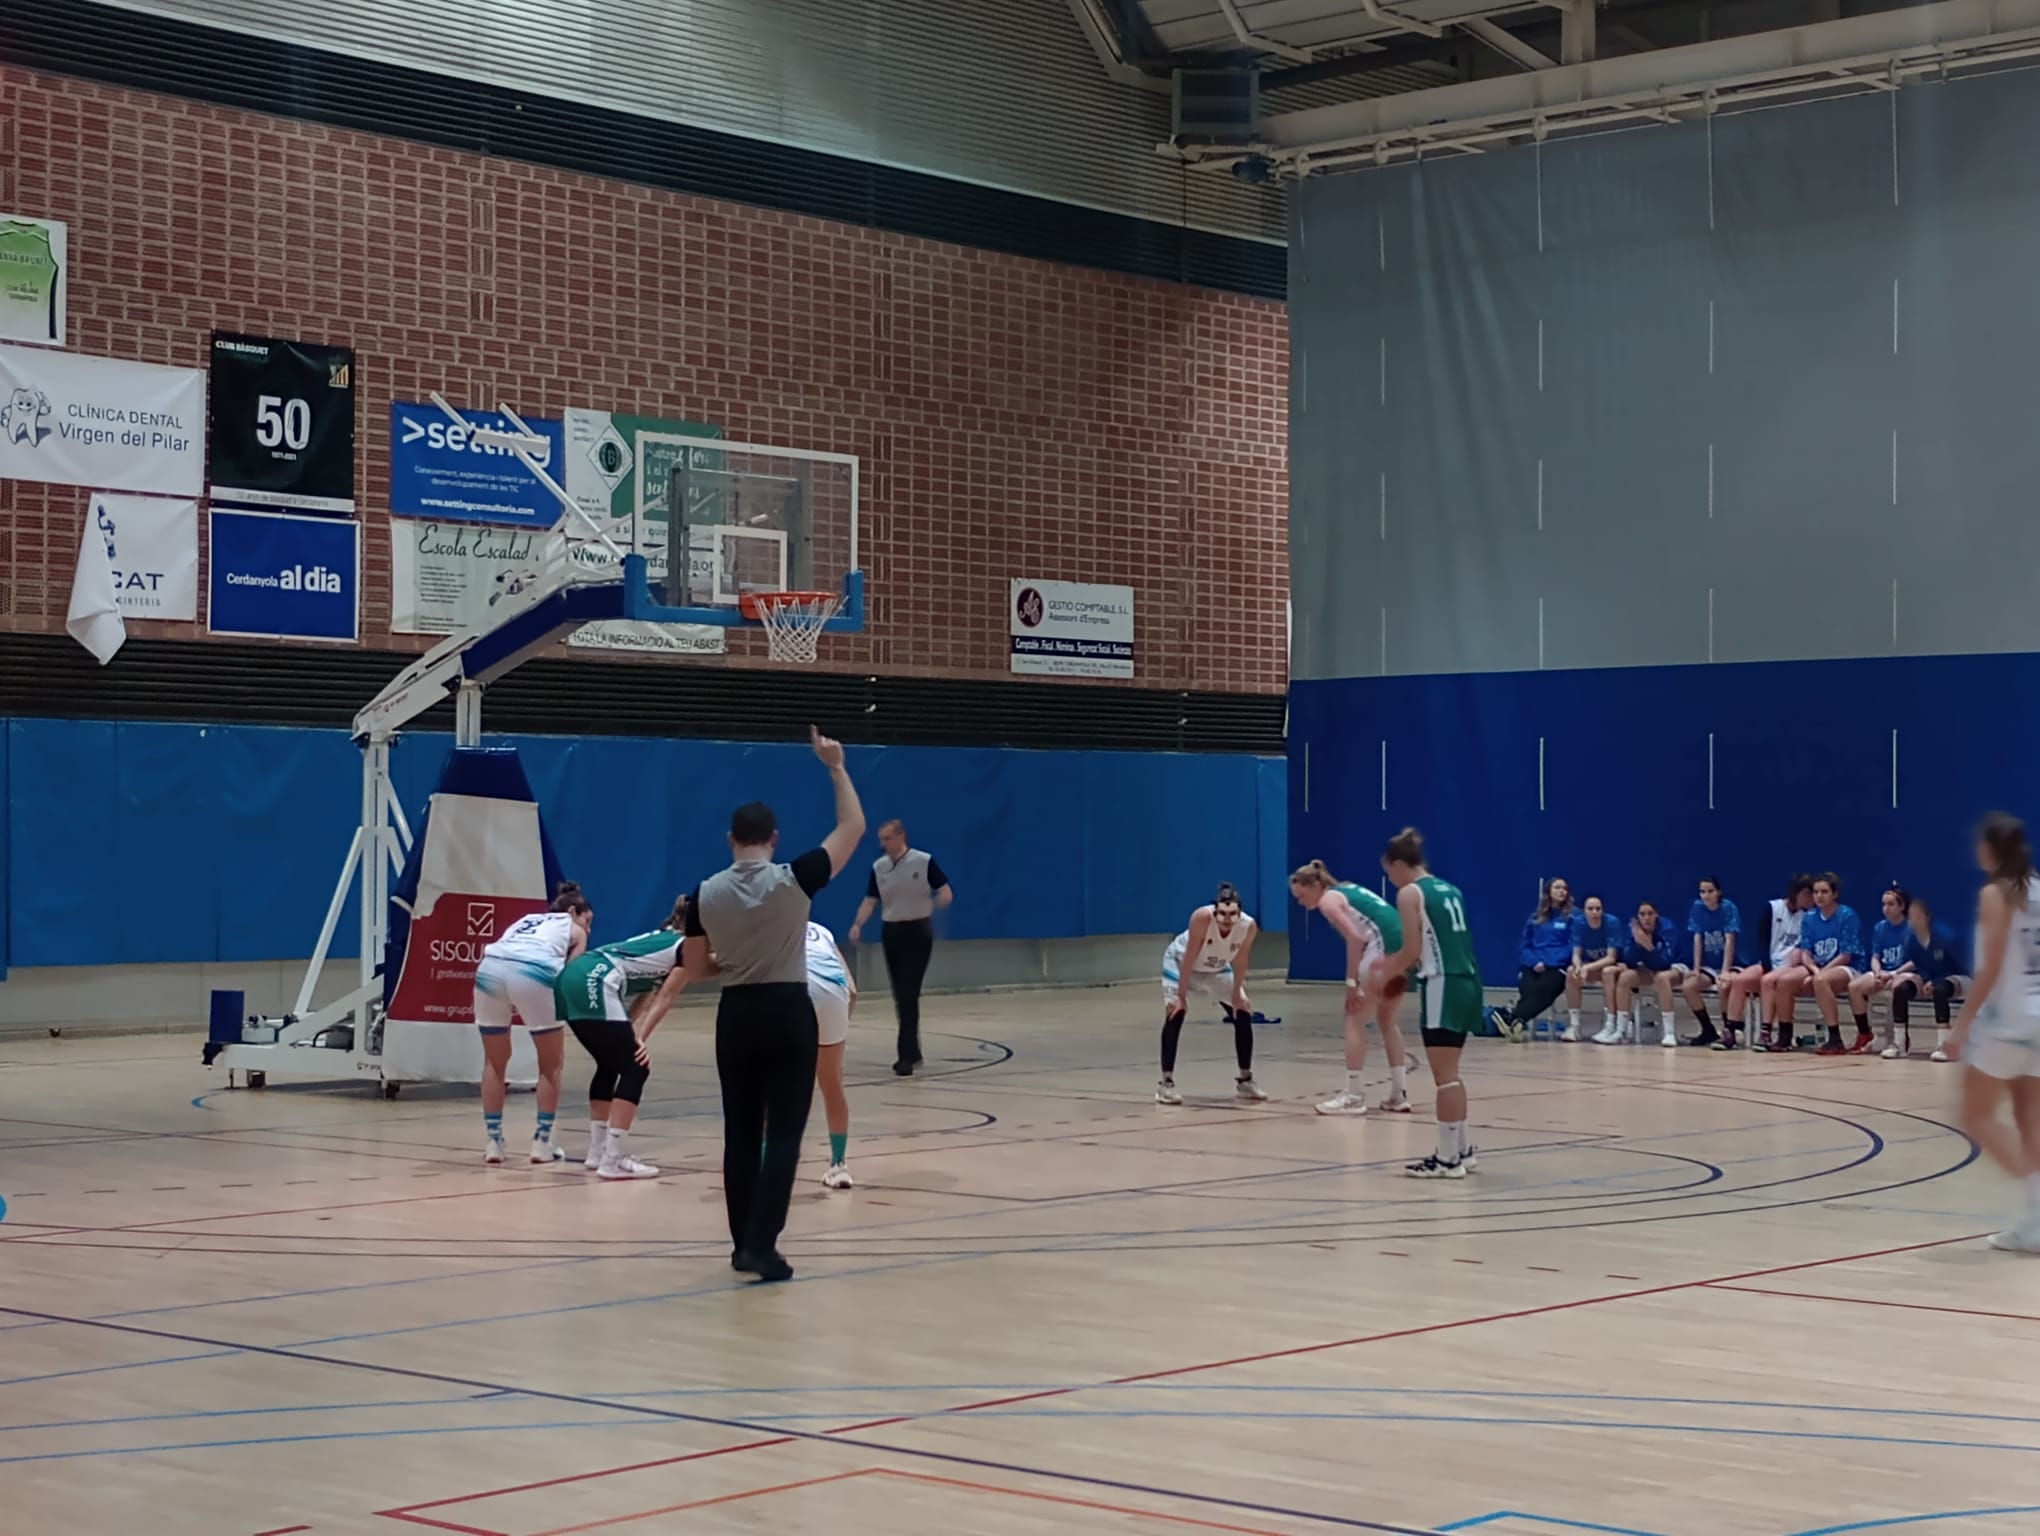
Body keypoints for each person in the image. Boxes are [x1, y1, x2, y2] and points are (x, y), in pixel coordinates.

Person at [682, 726, 866, 1283]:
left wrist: (733, 963)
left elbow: (693, 969)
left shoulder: (703, 894)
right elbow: (852, 826)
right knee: (783, 1131)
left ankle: (742, 1244)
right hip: (788, 1011)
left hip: (735, 1016)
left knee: (739, 1130)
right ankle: (764, 1245)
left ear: (731, 839)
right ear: (775, 839)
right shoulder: (795, 880)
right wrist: (834, 766)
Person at [1943, 813, 2040, 1252]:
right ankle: (2034, 1225)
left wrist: (1962, 1023)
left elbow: (1992, 964)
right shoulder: (2037, 888)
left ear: (1991, 849)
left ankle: (2038, 1204)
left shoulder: (1996, 893)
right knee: (2028, 1120)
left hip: (2008, 1023)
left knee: (1974, 1115)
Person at [1370, 826, 1483, 1179]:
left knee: (1444, 1077)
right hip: (1468, 980)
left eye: (1389, 871)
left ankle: (1448, 1159)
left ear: (1399, 864)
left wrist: (1382, 973)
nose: (1390, 879)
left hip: (1442, 984)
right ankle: (1460, 1150)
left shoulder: (1411, 893)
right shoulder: (1450, 888)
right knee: (1452, 1074)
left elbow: (1413, 951)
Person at [555, 895, 690, 1180]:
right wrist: (640, 1038)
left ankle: (597, 1152)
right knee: (636, 1067)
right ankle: (613, 1159)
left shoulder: (662, 939)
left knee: (609, 1063)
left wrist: (630, 1030)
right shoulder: (687, 947)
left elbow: (648, 992)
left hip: (573, 977)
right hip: (596, 978)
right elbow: (665, 997)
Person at [471, 881, 592, 1166]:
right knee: (551, 1065)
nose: (588, 928)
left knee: (494, 1062)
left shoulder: (526, 920)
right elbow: (570, 973)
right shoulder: (572, 928)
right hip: (534, 971)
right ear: (574, 911)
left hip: (490, 968)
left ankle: (494, 1142)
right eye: (588, 921)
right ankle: (541, 1142)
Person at [1289, 862, 1413, 1117]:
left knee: (1354, 1020)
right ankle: (1398, 1094)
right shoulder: (1348, 890)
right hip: (1402, 951)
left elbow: (1355, 938)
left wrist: (1351, 984)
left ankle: (1353, 1097)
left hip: (1381, 950)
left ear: (1316, 886)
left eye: (1301, 896)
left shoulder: (1328, 901)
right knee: (1388, 1021)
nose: (1301, 902)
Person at [849, 820, 953, 1076]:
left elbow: (945, 891)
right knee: (901, 995)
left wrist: (936, 904)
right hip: (892, 931)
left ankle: (905, 1056)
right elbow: (870, 900)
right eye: (881, 839)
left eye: (887, 838)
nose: (883, 844)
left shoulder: (923, 861)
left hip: (918, 931)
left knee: (909, 991)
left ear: (901, 836)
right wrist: (858, 924)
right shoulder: (879, 867)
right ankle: (913, 1052)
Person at [1155, 881, 1265, 1106]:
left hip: (1216, 967)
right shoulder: (1202, 918)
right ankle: (1166, 1084)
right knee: (1175, 1013)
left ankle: (1245, 1079)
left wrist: (1237, 994)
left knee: (1243, 1012)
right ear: (1215, 911)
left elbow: (1242, 960)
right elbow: (1188, 958)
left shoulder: (1248, 926)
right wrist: (1181, 996)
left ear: (1239, 912)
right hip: (1181, 964)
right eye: (1222, 913)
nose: (1226, 919)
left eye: (1232, 914)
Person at [807, 919, 859, 1188]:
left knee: (775, 1084)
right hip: (834, 991)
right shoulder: (823, 931)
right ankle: (839, 1166)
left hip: (798, 988)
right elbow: (852, 991)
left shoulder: (771, 923)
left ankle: (766, 1165)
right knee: (832, 1083)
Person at [1489, 878, 1575, 1043]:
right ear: (1549, 891)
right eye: (1557, 887)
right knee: (1528, 989)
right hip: (1534, 964)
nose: (1561, 891)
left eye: (1564, 888)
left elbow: (1572, 946)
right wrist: (1534, 962)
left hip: (1557, 966)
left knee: (1544, 990)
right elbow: (1525, 945)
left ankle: (1512, 1017)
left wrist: (1548, 962)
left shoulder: (1573, 917)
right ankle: (1518, 1024)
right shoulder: (1536, 917)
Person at [1790, 873, 1864, 1056]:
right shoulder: (1809, 917)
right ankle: (1783, 1033)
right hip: (1820, 970)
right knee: (1796, 981)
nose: (1819, 896)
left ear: (1835, 894)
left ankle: (1835, 1037)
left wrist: (1821, 973)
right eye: (1815, 892)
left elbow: (1846, 955)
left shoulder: (1847, 915)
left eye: (1824, 892)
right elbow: (1806, 953)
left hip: (1849, 968)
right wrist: (1815, 970)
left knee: (1821, 981)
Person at [1739, 875, 1816, 1052]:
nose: (1813, 899)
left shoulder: (1810, 916)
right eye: (1810, 894)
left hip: (1799, 965)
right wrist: (1766, 965)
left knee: (1772, 981)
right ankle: (1736, 1028)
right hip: (1776, 963)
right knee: (1745, 980)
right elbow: (1762, 939)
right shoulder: (1773, 908)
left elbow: (1807, 945)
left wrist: (1804, 956)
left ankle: (1774, 1032)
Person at [1886, 897, 1967, 1062]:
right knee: (1901, 990)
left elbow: (1958, 967)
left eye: (1917, 916)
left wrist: (1935, 981)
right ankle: (1899, 1044)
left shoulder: (1945, 937)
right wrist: (1921, 980)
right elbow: (1918, 965)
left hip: (1958, 978)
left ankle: (1944, 1044)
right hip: (1929, 979)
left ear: (1927, 918)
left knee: (1940, 989)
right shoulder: (1912, 941)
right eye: (1911, 916)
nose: (1913, 920)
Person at [1598, 900, 1679, 1047]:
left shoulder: (1667, 927)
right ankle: (1621, 1030)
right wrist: (1637, 944)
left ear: (1657, 916)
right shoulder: (1633, 928)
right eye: (1642, 914)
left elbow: (1666, 962)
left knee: (1661, 979)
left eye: (1650, 914)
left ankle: (1669, 1032)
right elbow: (1629, 960)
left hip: (1672, 968)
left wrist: (1648, 946)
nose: (1646, 917)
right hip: (1646, 968)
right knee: (1625, 978)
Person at [1848, 884, 1916, 1056]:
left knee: (1897, 988)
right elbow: (1875, 956)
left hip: (1904, 972)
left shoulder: (1912, 928)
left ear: (1902, 906)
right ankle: (1865, 1033)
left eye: (1891, 904)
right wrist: (1877, 972)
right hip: (1883, 972)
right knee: (1854, 987)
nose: (1886, 908)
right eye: (1883, 904)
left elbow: (1916, 961)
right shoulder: (1880, 927)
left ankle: (1900, 1037)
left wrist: (1893, 974)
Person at [1677, 877, 1741, 1047]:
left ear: (1718, 892)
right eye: (1702, 892)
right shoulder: (1697, 908)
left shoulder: (1728, 908)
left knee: (1724, 985)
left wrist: (1725, 971)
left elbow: (1730, 941)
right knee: (1688, 986)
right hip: (1710, 965)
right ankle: (1707, 1030)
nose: (1706, 896)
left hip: (1732, 962)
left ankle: (1729, 1030)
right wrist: (1697, 968)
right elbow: (1698, 939)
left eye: (1710, 891)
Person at [1563, 894, 1622, 1043]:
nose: (1594, 912)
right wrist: (1578, 967)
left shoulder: (1612, 923)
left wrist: (1587, 967)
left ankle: (1610, 1024)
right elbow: (1576, 953)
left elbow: (1611, 958)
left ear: (1603, 910)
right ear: (1584, 911)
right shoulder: (1578, 923)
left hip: (1615, 966)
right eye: (1590, 909)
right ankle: (1574, 1026)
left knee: (1607, 973)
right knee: (1571, 972)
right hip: (1591, 966)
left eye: (1598, 909)